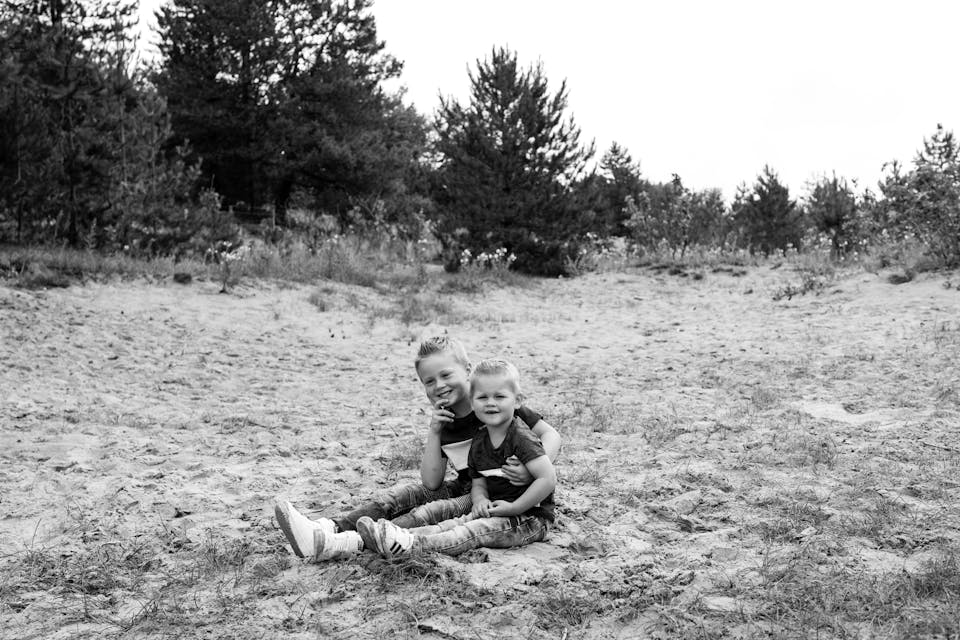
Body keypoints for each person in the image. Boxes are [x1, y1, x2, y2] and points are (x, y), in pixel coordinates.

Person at [275, 337, 561, 560]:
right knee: (405, 494)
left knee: (432, 513)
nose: (439, 385)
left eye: (446, 375)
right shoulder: (447, 419)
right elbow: (431, 481)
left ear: (468, 371)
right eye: (429, 381)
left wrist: (532, 468)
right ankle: (331, 529)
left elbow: (551, 436)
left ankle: (357, 541)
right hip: (473, 487)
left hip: (504, 492)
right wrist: (435, 431)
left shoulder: (499, 406)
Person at [335, 358, 556, 558]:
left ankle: (412, 544)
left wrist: (516, 503)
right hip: (492, 504)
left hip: (529, 517)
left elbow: (547, 478)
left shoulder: (520, 435)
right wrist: (480, 499)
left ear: (517, 401)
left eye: (499, 397)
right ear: (473, 401)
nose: (491, 403)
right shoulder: (479, 438)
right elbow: (474, 481)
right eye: (482, 398)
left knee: (471, 531)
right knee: (451, 522)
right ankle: (388, 536)